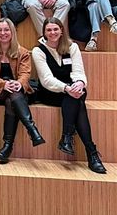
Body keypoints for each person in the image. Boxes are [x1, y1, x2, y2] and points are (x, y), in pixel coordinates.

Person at [32, 18, 106, 174]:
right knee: (77, 101)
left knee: (77, 96)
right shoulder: (38, 51)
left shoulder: (72, 47)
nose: (52, 32)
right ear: (44, 32)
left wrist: (79, 83)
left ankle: (67, 138)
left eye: (55, 29)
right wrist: (66, 88)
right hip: (51, 92)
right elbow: (46, 79)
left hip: (72, 89)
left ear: (61, 30)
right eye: (49, 30)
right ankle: (91, 153)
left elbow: (78, 71)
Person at [0, 17, 44, 163]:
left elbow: (25, 73)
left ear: (12, 32)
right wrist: (4, 84)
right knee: (13, 96)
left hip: (16, 89)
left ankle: (7, 146)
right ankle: (32, 130)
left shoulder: (22, 52)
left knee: (12, 99)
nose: (3, 33)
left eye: (6, 30)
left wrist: (19, 83)